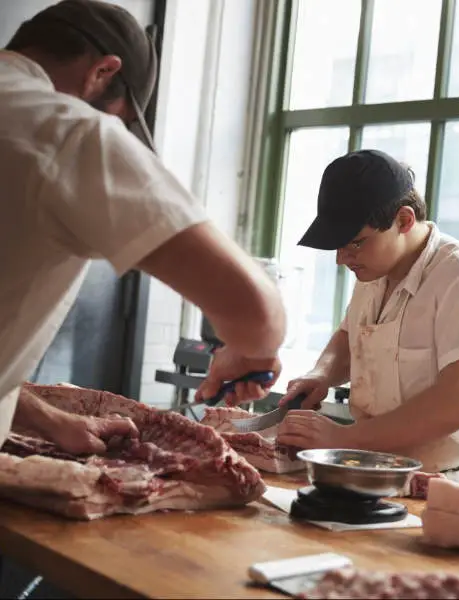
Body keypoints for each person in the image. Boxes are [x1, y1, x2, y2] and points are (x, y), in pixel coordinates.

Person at [0, 0, 286, 454]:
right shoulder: (70, 132)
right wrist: (245, 352)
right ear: (103, 71)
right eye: (122, 118)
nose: (115, 127)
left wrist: (55, 423)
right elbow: (258, 315)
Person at [276, 149, 459, 482]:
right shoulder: (374, 270)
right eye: (338, 246)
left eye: (355, 243)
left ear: (403, 220)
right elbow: (351, 336)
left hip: (443, 481)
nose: (342, 259)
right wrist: (322, 374)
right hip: (372, 470)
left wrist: (344, 439)